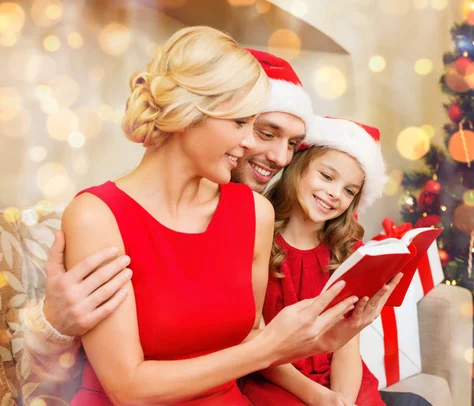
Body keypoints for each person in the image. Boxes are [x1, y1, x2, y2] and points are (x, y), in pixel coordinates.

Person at [22, 27, 400, 405]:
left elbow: (251, 333)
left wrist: (324, 338)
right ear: (189, 112)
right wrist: (267, 347)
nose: (254, 144)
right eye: (241, 124)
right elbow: (128, 389)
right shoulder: (97, 215)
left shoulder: (255, 212)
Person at [240, 116, 390, 406]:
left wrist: (342, 399)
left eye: (349, 191)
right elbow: (256, 343)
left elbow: (347, 345)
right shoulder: (256, 235)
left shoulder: (348, 250)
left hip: (338, 380)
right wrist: (318, 396)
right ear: (298, 168)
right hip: (273, 377)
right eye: (327, 176)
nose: (335, 194)